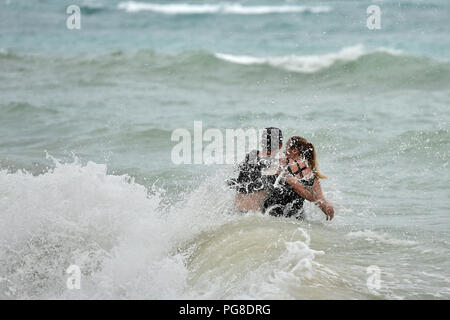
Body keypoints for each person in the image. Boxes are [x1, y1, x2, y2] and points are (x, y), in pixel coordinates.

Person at [267, 136, 334, 220]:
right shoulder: (311, 175)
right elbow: (327, 207)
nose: (284, 152)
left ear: (295, 150)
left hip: (273, 216)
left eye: (286, 148)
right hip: (297, 219)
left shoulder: (281, 163)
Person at [228, 127, 283, 212]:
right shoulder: (277, 165)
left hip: (235, 210)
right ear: (280, 145)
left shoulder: (251, 156)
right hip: (253, 215)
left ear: (261, 143)